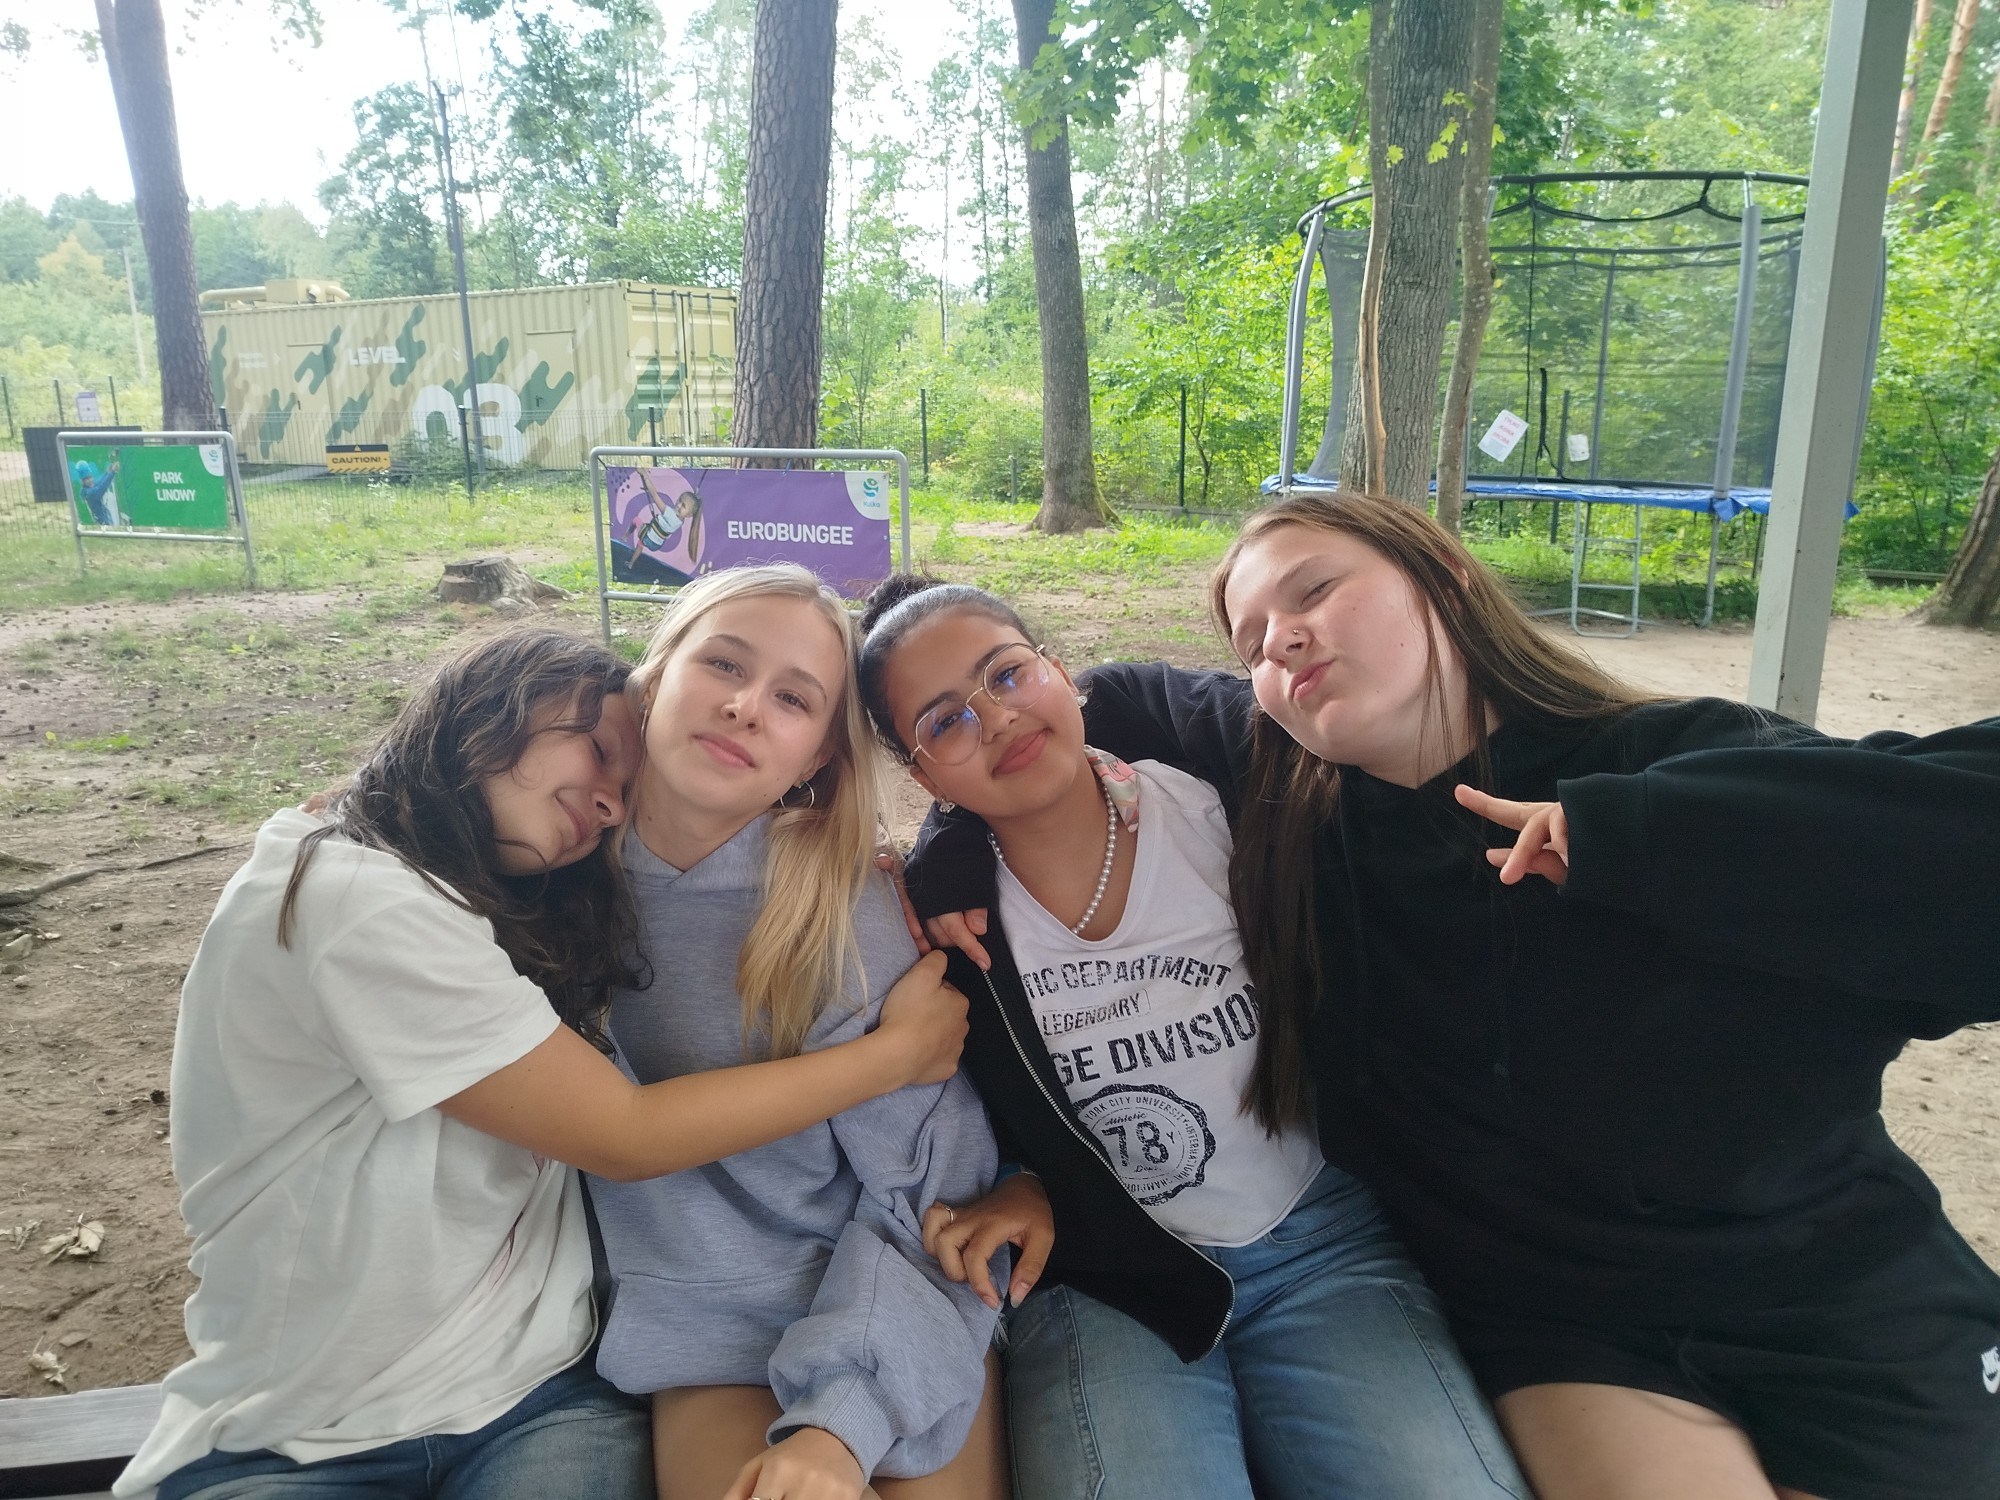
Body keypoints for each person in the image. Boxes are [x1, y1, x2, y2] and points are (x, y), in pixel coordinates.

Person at [909, 491, 2000, 1500]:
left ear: (1445, 574)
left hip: (1835, 1281)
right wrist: (947, 849)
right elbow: (1066, 712)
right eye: (1251, 642)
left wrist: (1638, 838)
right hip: (1573, 1324)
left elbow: (1957, 848)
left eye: (1315, 590)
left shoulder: (1667, 759)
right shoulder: (1297, 821)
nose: (1281, 640)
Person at [117, 626, 971, 1500]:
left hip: (534, 1395)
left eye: (624, 791)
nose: (609, 806)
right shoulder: (356, 897)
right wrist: (893, 1054)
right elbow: (624, 1135)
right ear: (489, 708)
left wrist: (921, 872)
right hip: (296, 1429)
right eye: (597, 752)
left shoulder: (502, 895)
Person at [858, 575, 1527, 1500]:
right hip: (1105, 1273)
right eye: (946, 721)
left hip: (1323, 1242)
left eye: (1007, 675)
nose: (997, 718)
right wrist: (1024, 1178)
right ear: (924, 777)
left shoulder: (1230, 803)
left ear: (1060, 669)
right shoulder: (939, 924)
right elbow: (957, 1103)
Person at [586, 566, 1008, 1500]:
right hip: (707, 1325)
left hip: (891, 1307)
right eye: (723, 665)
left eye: (793, 699)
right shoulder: (558, 885)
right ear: (651, 680)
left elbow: (932, 1193)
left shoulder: (839, 909)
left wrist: (841, 1421)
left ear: (818, 757)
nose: (744, 707)